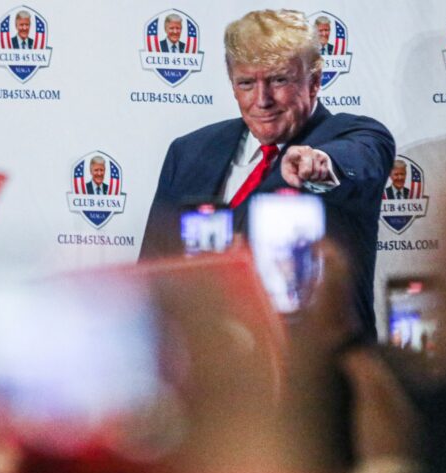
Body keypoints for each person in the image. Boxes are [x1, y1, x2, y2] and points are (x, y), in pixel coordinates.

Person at [140, 9, 395, 340]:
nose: (262, 100)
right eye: (247, 83)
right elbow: (151, 272)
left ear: (315, 81)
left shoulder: (353, 136)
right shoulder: (189, 152)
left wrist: (319, 164)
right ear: (232, 84)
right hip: (208, 372)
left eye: (278, 80)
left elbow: (361, 160)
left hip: (311, 379)